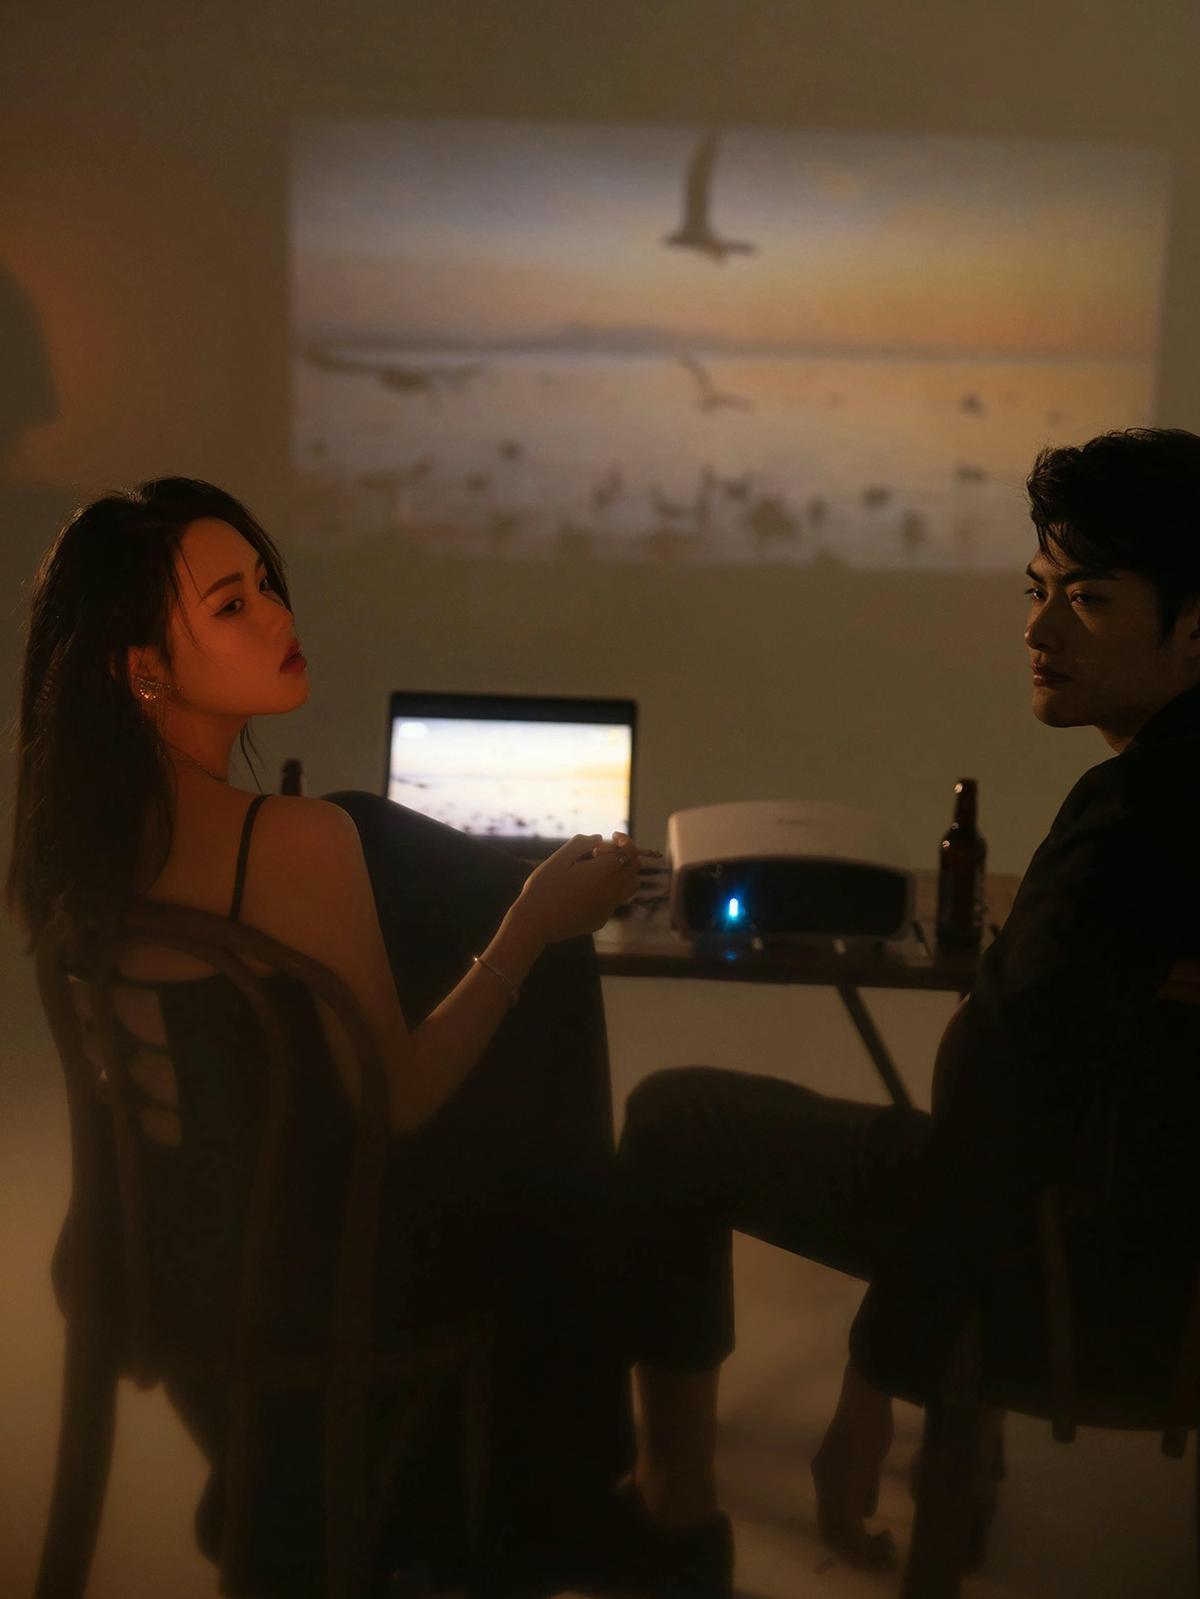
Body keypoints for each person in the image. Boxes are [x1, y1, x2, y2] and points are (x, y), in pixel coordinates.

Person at [5, 477, 732, 1598]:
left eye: (266, 583)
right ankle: (550, 1518)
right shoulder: (293, 842)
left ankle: (358, 1509)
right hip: (310, 1281)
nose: (277, 616)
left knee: (384, 838)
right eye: (231, 605)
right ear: (144, 668)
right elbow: (399, 1099)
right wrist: (532, 922)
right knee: (574, 1189)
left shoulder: (82, 846)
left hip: (152, 1249)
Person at [619, 426, 1200, 1570]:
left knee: (676, 1119)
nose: (1038, 630)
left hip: (1074, 1273)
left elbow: (992, 1122)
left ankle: (670, 1519)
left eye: (1087, 599)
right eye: (1036, 591)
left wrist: (876, 1374)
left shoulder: (1129, 821)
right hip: (1162, 1262)